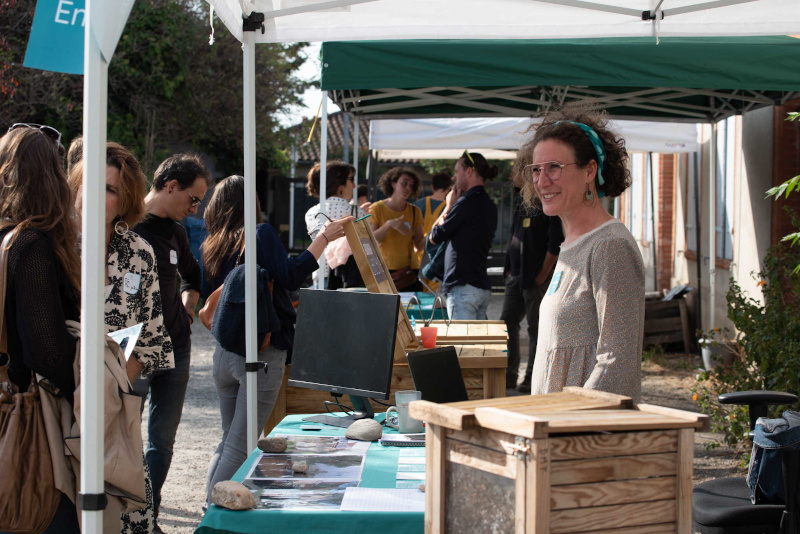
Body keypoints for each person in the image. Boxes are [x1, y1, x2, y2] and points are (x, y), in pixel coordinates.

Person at [202, 175, 352, 505]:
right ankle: (211, 512)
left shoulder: (215, 242)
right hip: (259, 351)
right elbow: (291, 275)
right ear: (251, 202)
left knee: (229, 440)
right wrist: (324, 238)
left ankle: (209, 505)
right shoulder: (260, 233)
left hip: (224, 351)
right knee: (239, 445)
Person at [69, 141, 174, 533]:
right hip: (59, 404)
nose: (96, 195)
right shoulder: (52, 244)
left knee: (128, 512)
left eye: (110, 189)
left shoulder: (138, 252)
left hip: (115, 408)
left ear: (126, 199)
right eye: (90, 183)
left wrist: (114, 391)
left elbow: (150, 336)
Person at [518, 110, 645, 402]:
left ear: (589, 171)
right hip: (555, 428)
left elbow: (618, 365)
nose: (542, 181)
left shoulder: (610, 247)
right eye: (536, 170)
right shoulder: (572, 243)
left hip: (581, 435)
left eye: (554, 167)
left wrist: (566, 425)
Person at [0, 124, 81, 532]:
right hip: (32, 415)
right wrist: (85, 387)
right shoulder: (30, 243)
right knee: (45, 515)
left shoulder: (6, 237)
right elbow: (45, 349)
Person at [132, 153, 209, 522]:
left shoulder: (178, 233)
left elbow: (195, 277)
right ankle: (125, 518)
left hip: (177, 346)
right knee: (124, 436)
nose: (195, 209)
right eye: (193, 199)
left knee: (161, 442)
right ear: (170, 185)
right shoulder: (125, 226)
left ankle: (150, 517)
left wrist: (187, 305)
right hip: (135, 350)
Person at [501, 176, 563, 392]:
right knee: (506, 324)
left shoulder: (545, 206)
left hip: (535, 280)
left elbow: (555, 245)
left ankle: (531, 377)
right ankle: (509, 375)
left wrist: (542, 275)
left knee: (537, 329)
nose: (513, 177)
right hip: (515, 277)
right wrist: (508, 267)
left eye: (517, 171)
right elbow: (512, 238)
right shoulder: (521, 204)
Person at [429, 151, 498, 319]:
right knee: (476, 344)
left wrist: (448, 206)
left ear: (469, 171)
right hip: (480, 286)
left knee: (463, 345)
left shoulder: (465, 203)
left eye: (456, 171)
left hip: (463, 288)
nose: (453, 177)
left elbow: (434, 236)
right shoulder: (490, 204)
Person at [304, 160, 365, 288]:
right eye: (351, 179)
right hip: (348, 278)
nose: (354, 186)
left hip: (320, 274)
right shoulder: (356, 212)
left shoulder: (311, 213)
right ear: (339, 182)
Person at [370, 167, 425, 292]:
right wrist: (389, 224)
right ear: (393, 183)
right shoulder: (377, 208)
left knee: (411, 310)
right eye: (404, 183)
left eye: (411, 185)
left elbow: (419, 245)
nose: (408, 188)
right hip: (385, 271)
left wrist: (434, 234)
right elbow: (372, 240)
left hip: (410, 272)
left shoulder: (414, 211)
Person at [414, 171, 451, 237]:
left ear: (432, 186)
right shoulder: (449, 208)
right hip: (437, 246)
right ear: (448, 188)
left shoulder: (418, 204)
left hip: (417, 245)